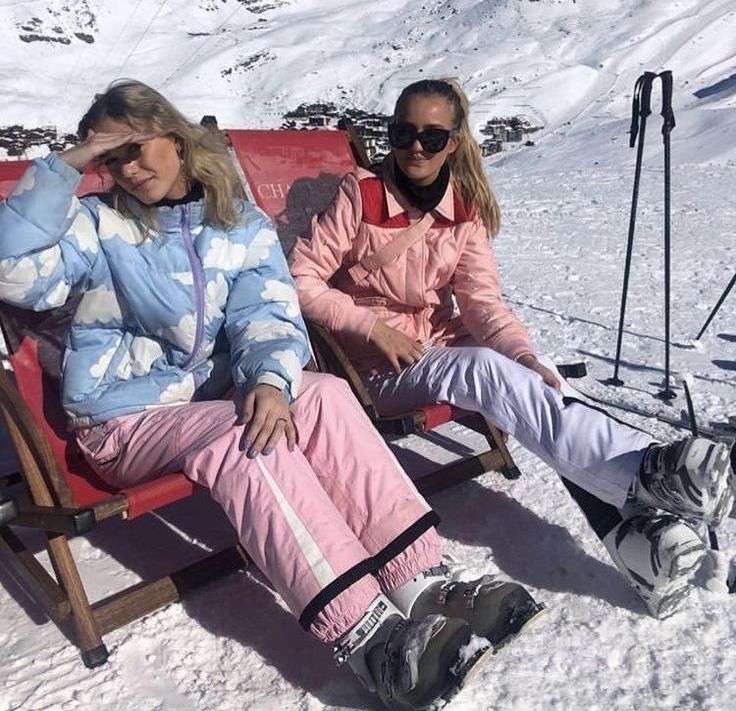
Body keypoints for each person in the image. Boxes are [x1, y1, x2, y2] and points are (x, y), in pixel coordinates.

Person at [0, 80, 550, 711]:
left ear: (176, 139)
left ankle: (421, 581)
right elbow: (11, 273)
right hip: (125, 418)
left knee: (324, 395)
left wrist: (268, 379)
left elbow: (269, 311)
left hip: (209, 401)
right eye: (110, 154)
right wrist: (63, 167)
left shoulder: (234, 222)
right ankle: (366, 635)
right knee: (246, 439)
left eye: (137, 145)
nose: (128, 166)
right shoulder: (95, 224)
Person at [289, 77, 734, 620]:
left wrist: (523, 356)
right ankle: (643, 470)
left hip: (435, 347)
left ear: (454, 142)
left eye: (432, 136)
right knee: (480, 368)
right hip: (374, 369)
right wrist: (372, 327)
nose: (415, 147)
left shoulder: (463, 208)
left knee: (539, 373)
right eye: (403, 133)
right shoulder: (360, 196)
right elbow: (302, 279)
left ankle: (632, 538)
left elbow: (482, 304)